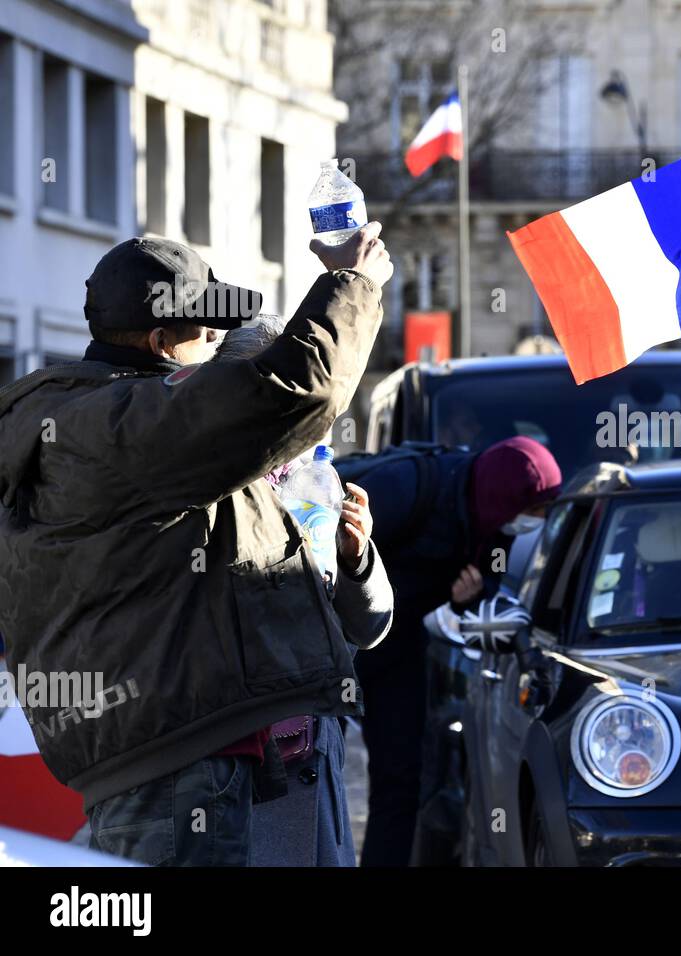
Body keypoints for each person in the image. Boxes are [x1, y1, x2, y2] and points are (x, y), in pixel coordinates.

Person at [0, 225, 392, 865]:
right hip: (176, 772)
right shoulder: (123, 425)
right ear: (160, 342)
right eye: (206, 336)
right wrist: (354, 284)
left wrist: (348, 559)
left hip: (180, 762)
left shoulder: (102, 421)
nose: (215, 353)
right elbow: (292, 389)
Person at [215, 315, 395, 866]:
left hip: (308, 752)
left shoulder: (315, 478)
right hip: (225, 760)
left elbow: (370, 627)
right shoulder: (198, 480)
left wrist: (356, 556)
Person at [336, 435, 562, 866]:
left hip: (395, 645)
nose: (536, 521)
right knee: (313, 769)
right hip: (336, 640)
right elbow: (332, 543)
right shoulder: (413, 487)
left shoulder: (494, 520)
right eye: (535, 510)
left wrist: (467, 599)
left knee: (402, 779)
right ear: (505, 493)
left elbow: (485, 585)